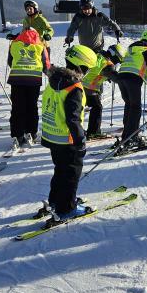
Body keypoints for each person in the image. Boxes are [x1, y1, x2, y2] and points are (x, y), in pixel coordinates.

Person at [40, 45, 98, 221]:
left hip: (51, 135)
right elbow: (73, 119)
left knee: (60, 170)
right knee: (71, 174)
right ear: (81, 67)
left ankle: (56, 201)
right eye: (87, 69)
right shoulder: (74, 87)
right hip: (68, 139)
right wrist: (80, 141)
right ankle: (66, 208)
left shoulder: (54, 79)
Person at [6, 27, 51, 153]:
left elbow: (10, 61)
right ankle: (31, 132)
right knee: (32, 106)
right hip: (33, 80)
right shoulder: (40, 46)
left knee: (17, 107)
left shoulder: (14, 44)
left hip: (17, 79)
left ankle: (17, 134)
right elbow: (46, 64)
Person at [82, 44, 126, 138]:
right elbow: (115, 78)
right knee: (97, 108)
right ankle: (94, 132)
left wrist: (106, 77)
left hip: (81, 84)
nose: (117, 63)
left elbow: (96, 70)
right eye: (117, 60)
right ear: (114, 55)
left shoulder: (98, 55)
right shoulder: (108, 64)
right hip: (90, 88)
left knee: (80, 109)